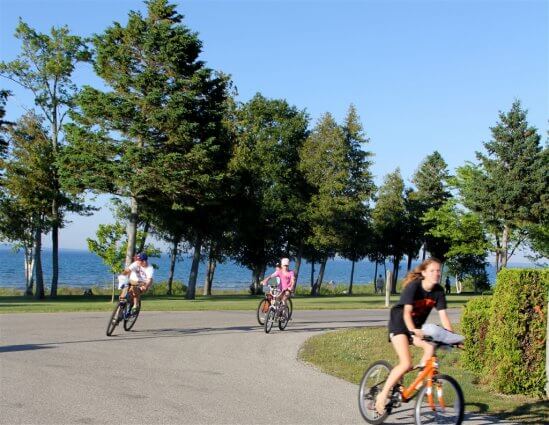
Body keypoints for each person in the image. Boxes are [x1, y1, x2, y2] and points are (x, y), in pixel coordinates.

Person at [375, 258, 455, 415]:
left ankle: (419, 383)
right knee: (406, 363)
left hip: (415, 328)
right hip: (399, 324)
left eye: (438, 270)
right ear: (424, 273)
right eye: (432, 270)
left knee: (430, 347)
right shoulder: (414, 287)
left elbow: (444, 317)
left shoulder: (438, 291)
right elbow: (406, 312)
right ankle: (382, 395)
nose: (437, 273)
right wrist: (412, 329)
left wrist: (452, 337)